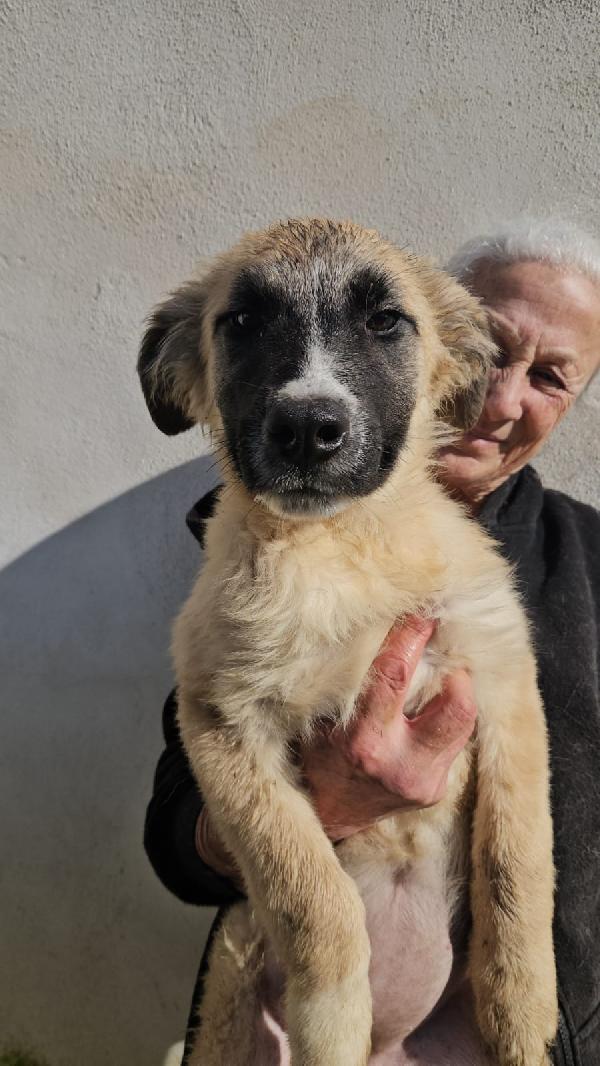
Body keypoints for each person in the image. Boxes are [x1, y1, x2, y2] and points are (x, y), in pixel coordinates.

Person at [145, 219, 600, 1065]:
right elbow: (177, 826)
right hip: (299, 1018)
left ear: (440, 364)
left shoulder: (583, 559)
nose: (502, 399)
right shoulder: (241, 554)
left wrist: (523, 976)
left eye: (549, 377)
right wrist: (321, 803)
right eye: (497, 353)